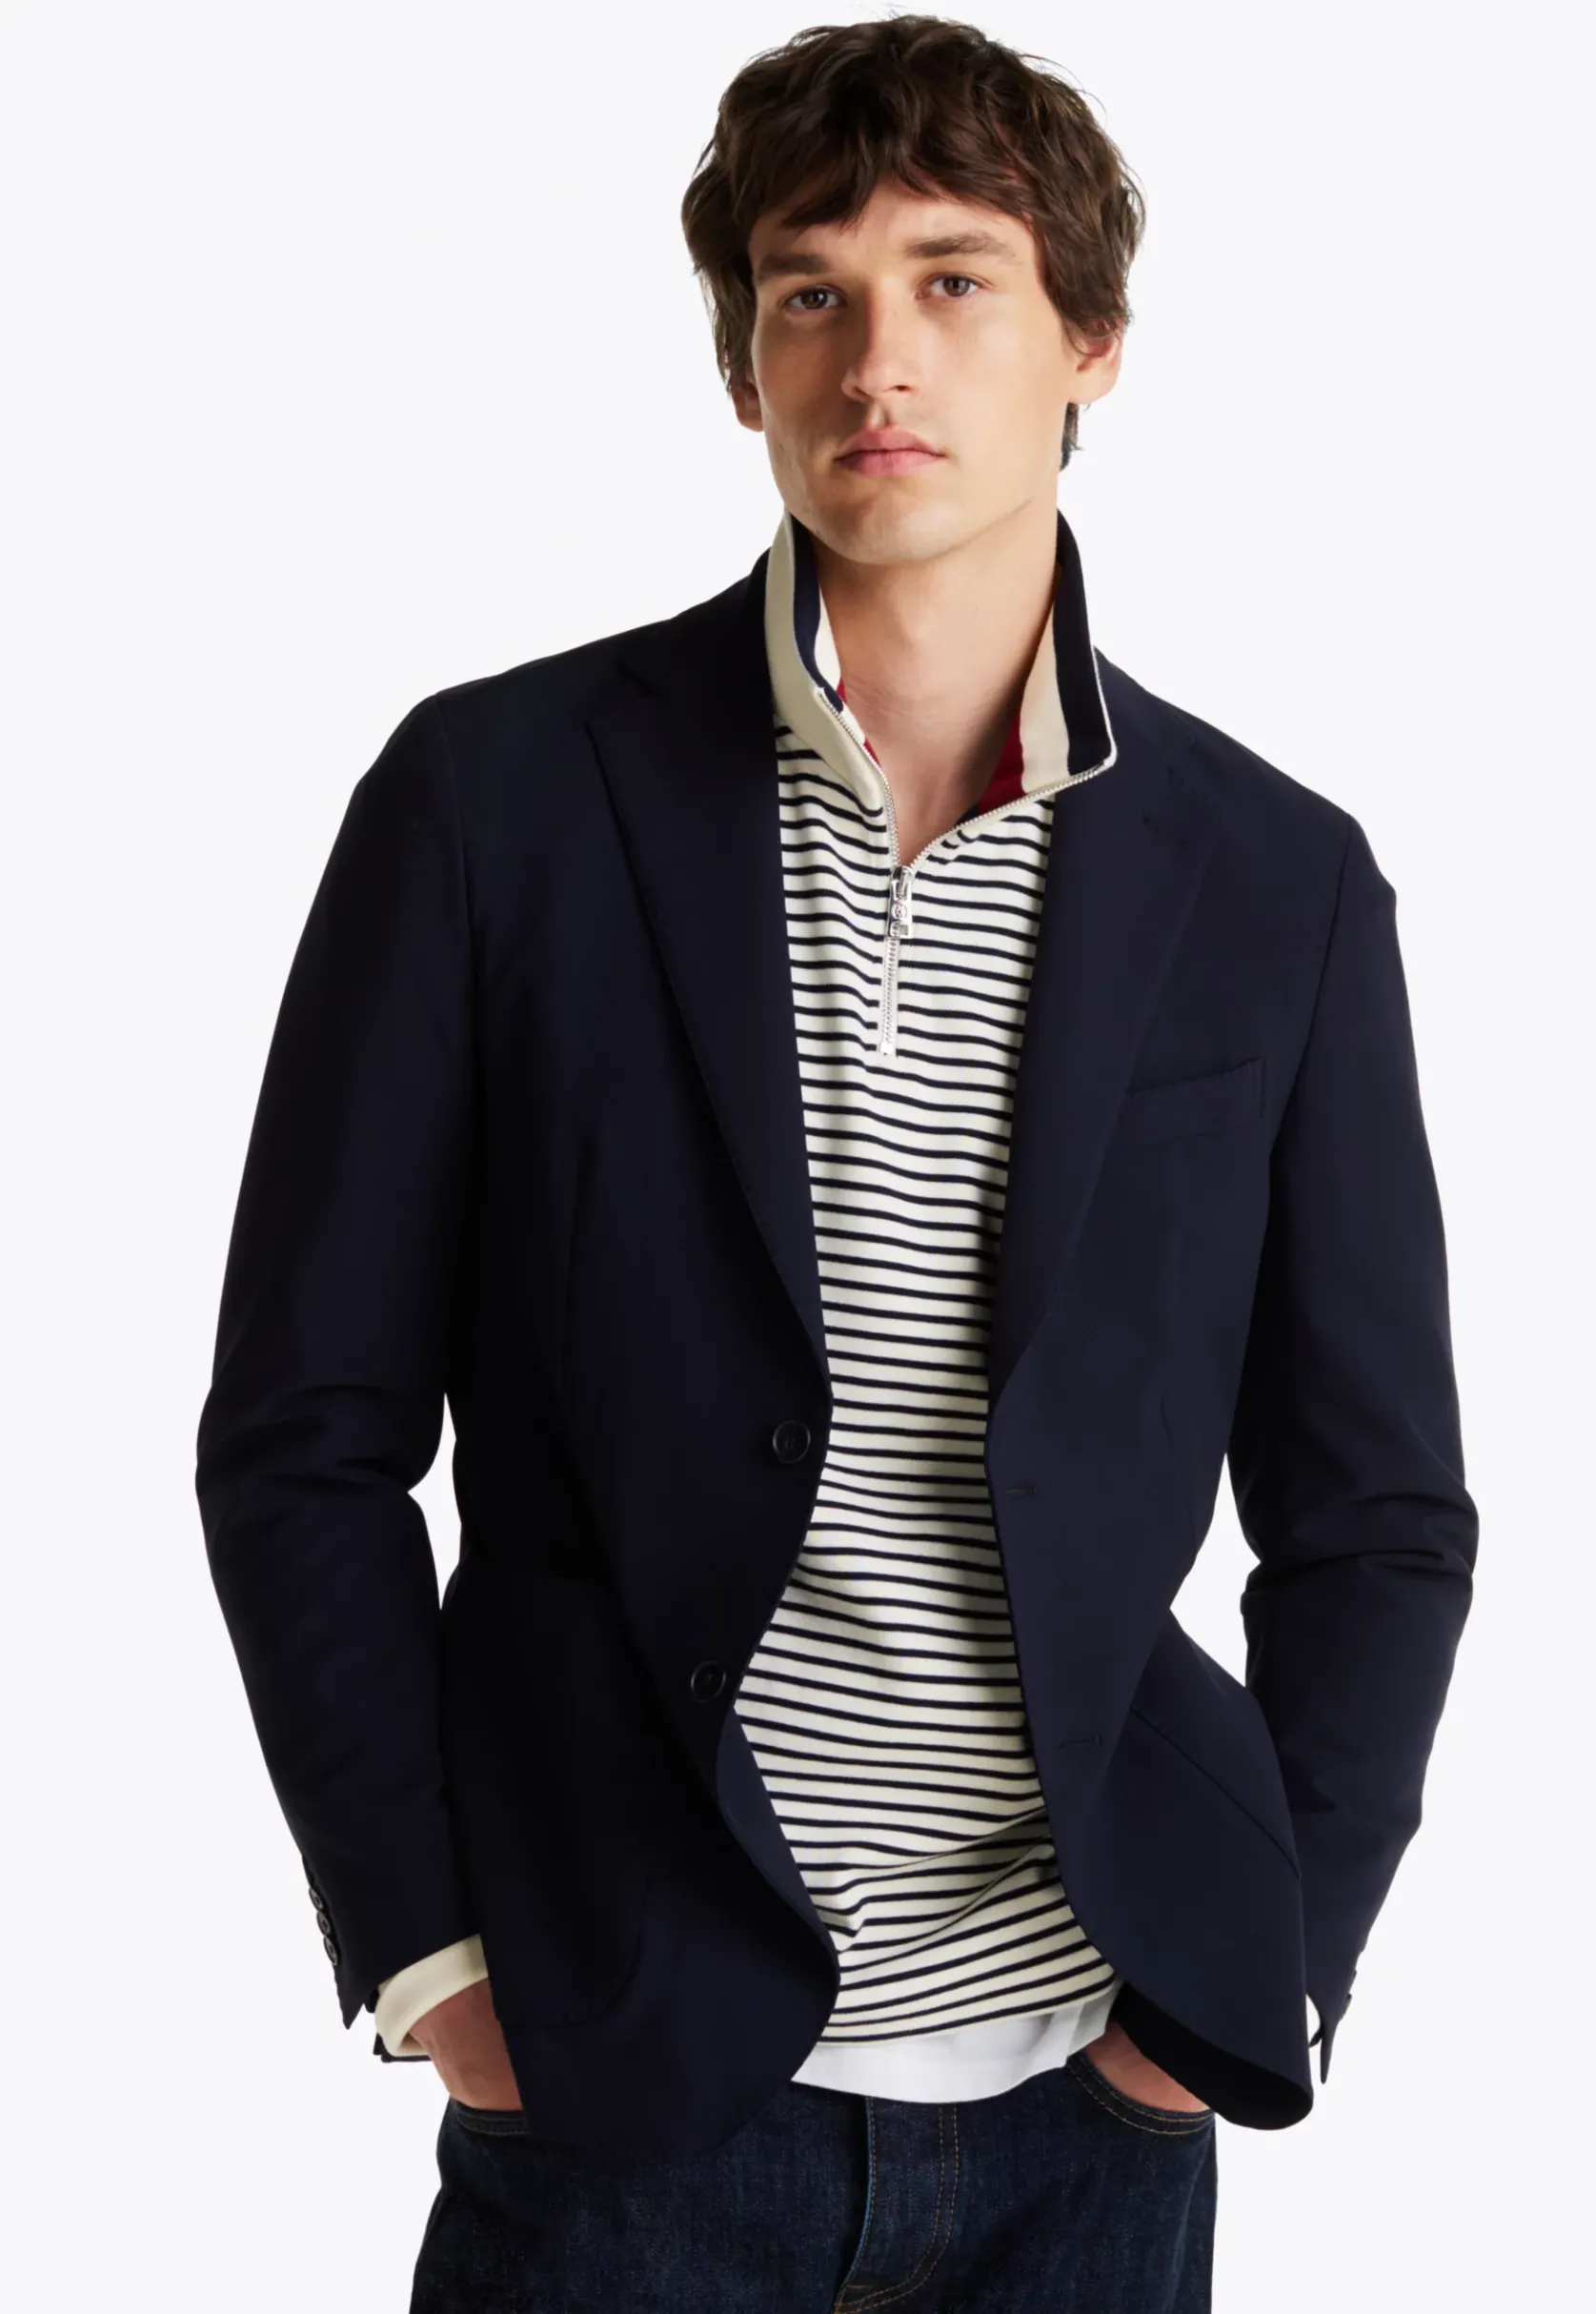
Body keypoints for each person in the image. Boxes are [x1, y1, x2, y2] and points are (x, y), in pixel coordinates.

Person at [195, 17, 1478, 2310]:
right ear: (742, 366)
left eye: (954, 281)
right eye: (811, 292)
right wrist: (429, 1952)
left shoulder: (1275, 880)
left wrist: (1259, 1974)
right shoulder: (494, 804)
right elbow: (305, 1432)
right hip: (617, 2080)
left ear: (1090, 342)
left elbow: (1374, 1504)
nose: (877, 357)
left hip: (1092, 2103)